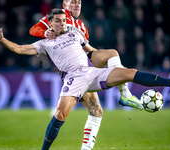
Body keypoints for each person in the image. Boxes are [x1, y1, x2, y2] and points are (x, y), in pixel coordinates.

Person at [0, 9, 170, 150]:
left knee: (129, 72)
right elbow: (20, 49)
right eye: (57, 21)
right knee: (60, 115)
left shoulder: (75, 35)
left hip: (91, 71)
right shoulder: (45, 44)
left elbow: (91, 51)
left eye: (63, 20)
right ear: (50, 24)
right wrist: (2, 39)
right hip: (73, 79)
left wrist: (108, 58)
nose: (62, 23)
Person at [30, 1, 142, 149]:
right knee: (65, 114)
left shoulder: (82, 27)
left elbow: (87, 52)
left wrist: (114, 65)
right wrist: (44, 33)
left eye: (79, 2)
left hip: (86, 69)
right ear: (65, 4)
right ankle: (126, 95)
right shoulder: (58, 19)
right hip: (72, 73)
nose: (77, 4)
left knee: (96, 112)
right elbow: (34, 29)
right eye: (73, 1)